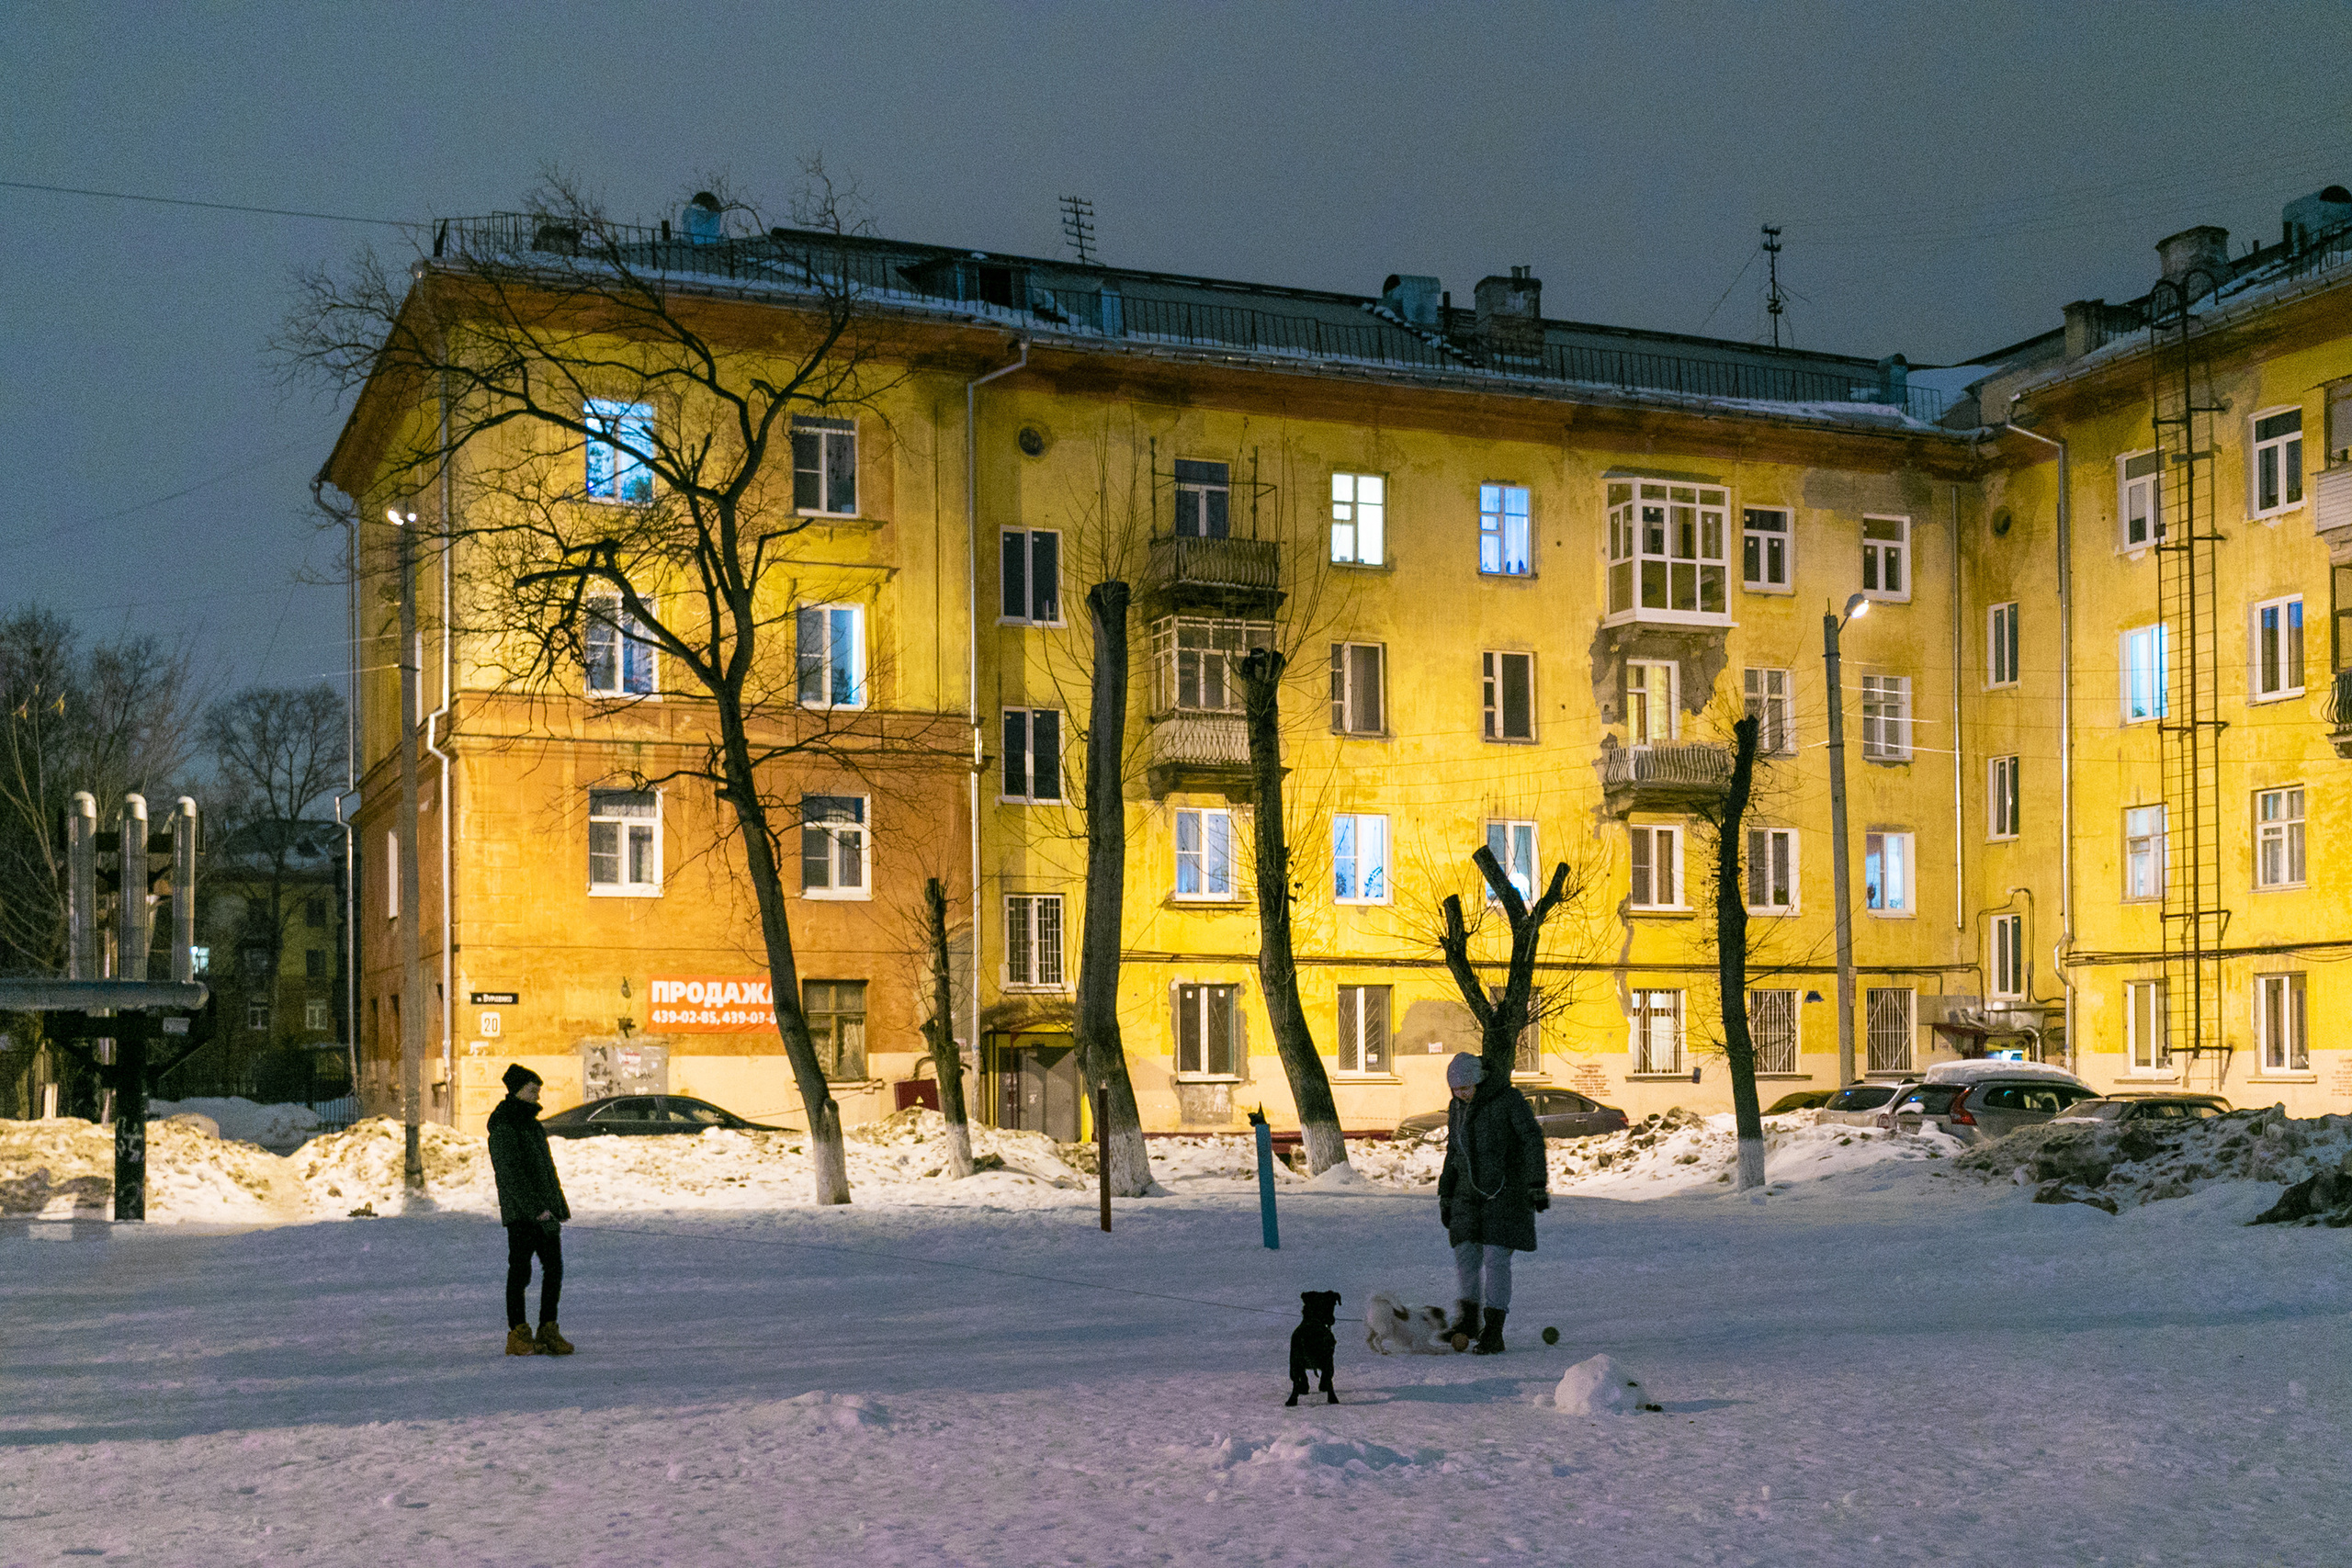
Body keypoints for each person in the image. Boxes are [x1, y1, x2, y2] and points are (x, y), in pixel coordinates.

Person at [1436, 1051, 1547, 1354]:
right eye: (1456, 1090)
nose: (1461, 1095)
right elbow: (1453, 1152)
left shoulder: (1508, 1100)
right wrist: (1446, 1194)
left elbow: (1531, 1139)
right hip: (1466, 1195)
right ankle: (1468, 1321)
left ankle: (1494, 1331)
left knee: (1496, 1259)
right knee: (1466, 1257)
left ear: (1480, 1081)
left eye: (1466, 1088)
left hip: (1506, 1192)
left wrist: (1536, 1184)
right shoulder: (1457, 1107)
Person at [486, 1063, 573, 1356]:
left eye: (538, 1088)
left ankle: (548, 1330)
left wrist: (556, 1207)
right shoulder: (504, 1124)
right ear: (516, 1090)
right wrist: (537, 1209)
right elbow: (510, 1173)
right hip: (523, 1215)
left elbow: (547, 1172)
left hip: (545, 1212)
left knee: (554, 1269)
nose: (537, 1092)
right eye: (531, 1088)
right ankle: (518, 1334)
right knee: (520, 1273)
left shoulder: (532, 1125)